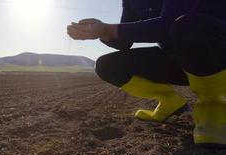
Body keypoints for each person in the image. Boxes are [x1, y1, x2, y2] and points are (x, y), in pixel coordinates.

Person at [67, 0, 226, 147]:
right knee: (107, 66)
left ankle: (214, 109)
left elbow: (169, 24)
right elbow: (123, 42)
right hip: (179, 58)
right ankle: (169, 101)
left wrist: (108, 28)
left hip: (216, 56)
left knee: (189, 26)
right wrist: (102, 32)